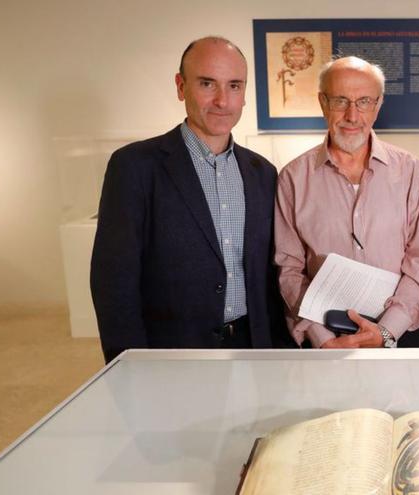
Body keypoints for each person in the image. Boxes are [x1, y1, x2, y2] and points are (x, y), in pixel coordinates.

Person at [91, 37, 285, 363]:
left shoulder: (262, 172)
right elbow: (113, 281)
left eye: (234, 86)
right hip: (171, 352)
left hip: (254, 348)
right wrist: (127, 364)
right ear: (181, 87)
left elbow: (267, 275)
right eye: (207, 83)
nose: (223, 100)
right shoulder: (135, 167)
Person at [274, 56, 419, 348]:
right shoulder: (293, 179)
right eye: (340, 101)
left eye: (363, 102)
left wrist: (386, 331)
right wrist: (322, 339)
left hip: (399, 336)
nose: (352, 115)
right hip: (326, 338)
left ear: (378, 105)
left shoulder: (412, 172)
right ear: (323, 103)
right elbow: (289, 269)